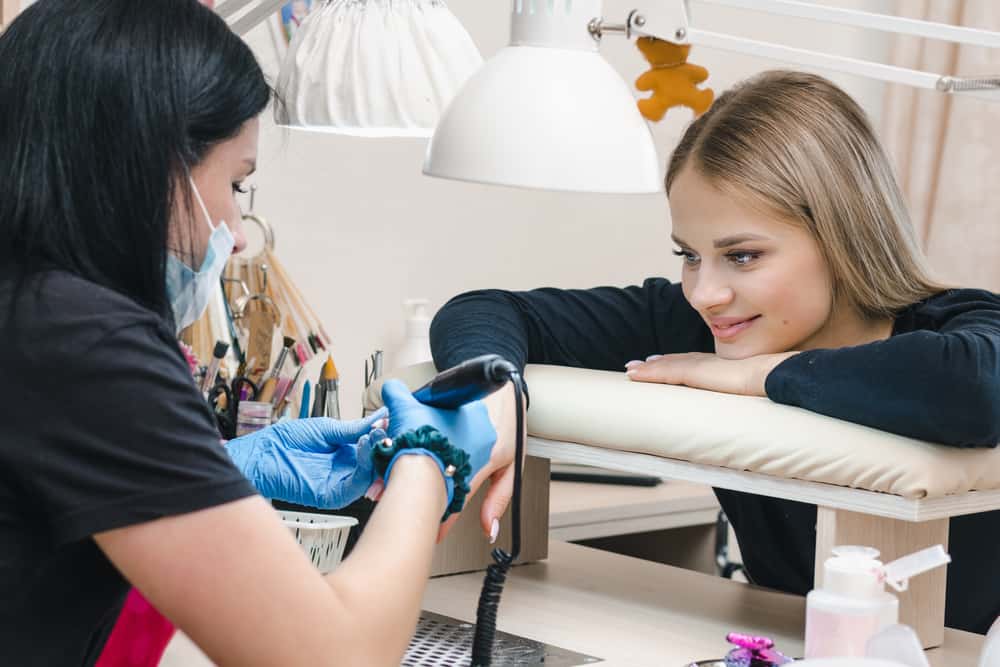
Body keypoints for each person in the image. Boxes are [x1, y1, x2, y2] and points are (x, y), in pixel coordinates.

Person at [0, 1, 513, 665]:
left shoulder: (29, 309)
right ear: (150, 162)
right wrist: (427, 461)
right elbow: (337, 656)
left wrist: (222, 465)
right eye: (237, 184)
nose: (239, 234)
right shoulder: (84, 341)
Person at [429, 70, 1000, 635]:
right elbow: (483, 311)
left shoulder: (965, 325)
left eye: (743, 256)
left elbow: (975, 388)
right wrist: (494, 392)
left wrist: (758, 377)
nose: (705, 294)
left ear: (841, 236)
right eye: (690, 255)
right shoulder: (700, 324)